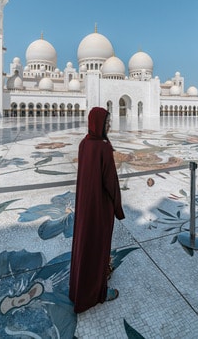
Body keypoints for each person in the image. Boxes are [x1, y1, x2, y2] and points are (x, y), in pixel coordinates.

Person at [69, 107, 125, 313]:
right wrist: (118, 209)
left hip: (85, 205)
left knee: (86, 244)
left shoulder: (84, 143)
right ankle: (97, 292)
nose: (109, 126)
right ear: (99, 123)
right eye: (107, 122)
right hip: (100, 207)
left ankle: (79, 287)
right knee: (99, 245)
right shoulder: (102, 147)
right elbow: (111, 182)